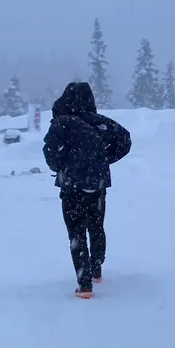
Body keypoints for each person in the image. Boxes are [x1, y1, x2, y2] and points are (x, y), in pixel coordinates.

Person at [42, 81, 132, 299]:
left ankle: (84, 284)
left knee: (76, 232)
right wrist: (103, 160)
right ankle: (96, 269)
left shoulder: (61, 123)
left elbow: (50, 152)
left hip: (72, 185)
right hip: (97, 184)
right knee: (96, 225)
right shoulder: (99, 123)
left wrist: (62, 166)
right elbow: (125, 140)